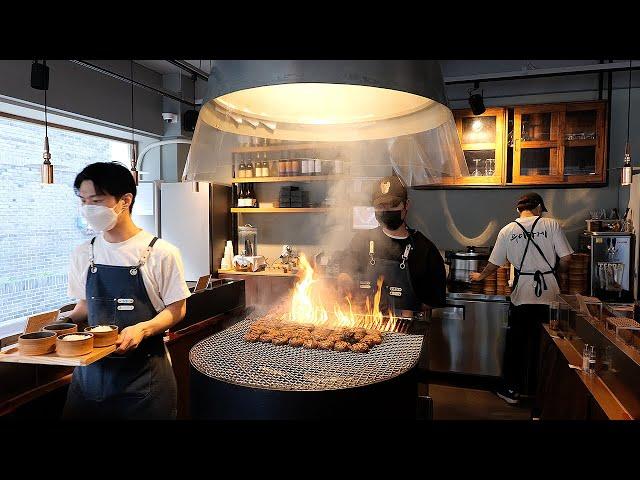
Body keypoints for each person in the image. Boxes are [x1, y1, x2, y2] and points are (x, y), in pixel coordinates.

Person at [61, 162, 191, 419]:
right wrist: (58, 324)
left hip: (143, 381)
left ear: (124, 201)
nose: (88, 208)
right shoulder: (83, 253)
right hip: (88, 378)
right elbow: (85, 307)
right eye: (83, 200)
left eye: (96, 200)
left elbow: (177, 310)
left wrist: (143, 328)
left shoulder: (160, 253)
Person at [470, 192, 573, 406]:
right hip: (549, 296)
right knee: (547, 346)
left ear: (519, 210)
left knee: (517, 345)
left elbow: (494, 263)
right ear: (538, 208)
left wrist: (480, 276)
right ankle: (545, 394)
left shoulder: (507, 230)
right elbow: (567, 258)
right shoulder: (551, 225)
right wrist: (559, 273)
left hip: (522, 295)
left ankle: (510, 390)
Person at [338, 175, 446, 369]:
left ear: (406, 206)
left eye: (393, 204)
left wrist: (407, 311)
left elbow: (433, 297)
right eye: (381, 206)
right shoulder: (361, 241)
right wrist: (344, 278)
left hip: (406, 339)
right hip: (363, 337)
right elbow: (346, 270)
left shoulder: (424, 249)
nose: (386, 210)